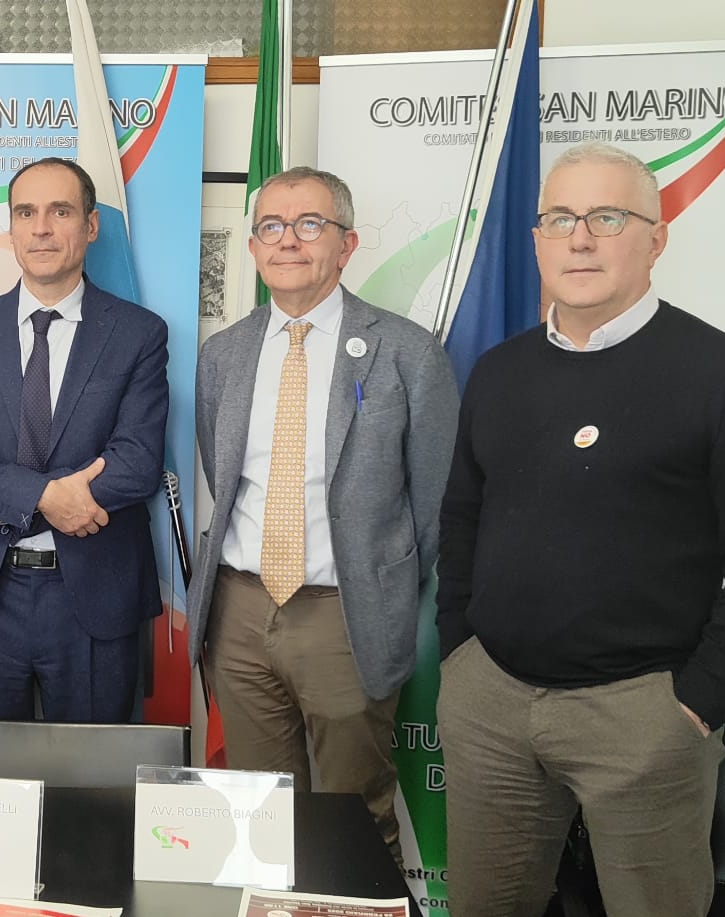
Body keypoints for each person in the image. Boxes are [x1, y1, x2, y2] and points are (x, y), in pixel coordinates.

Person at [435, 142, 725, 917]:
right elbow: (463, 518)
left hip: (642, 715)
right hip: (492, 700)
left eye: (607, 217)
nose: (579, 238)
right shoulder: (499, 373)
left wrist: (695, 704)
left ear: (656, 238)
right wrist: (460, 655)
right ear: (536, 238)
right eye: (559, 219)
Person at [187, 167, 456, 862]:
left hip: (346, 614)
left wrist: (377, 580)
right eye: (271, 226)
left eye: (310, 224)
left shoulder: (407, 351)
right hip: (240, 612)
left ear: (347, 244)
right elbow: (223, 475)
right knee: (259, 816)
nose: (289, 241)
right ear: (253, 247)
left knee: (352, 819)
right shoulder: (223, 354)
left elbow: (434, 502)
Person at [0, 157, 168, 723]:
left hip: (95, 597)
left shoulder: (138, 334)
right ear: (11, 228)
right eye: (26, 213)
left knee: (94, 774)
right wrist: (42, 498)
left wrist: (7, 504)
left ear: (91, 225)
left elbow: (137, 463)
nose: (42, 228)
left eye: (60, 211)